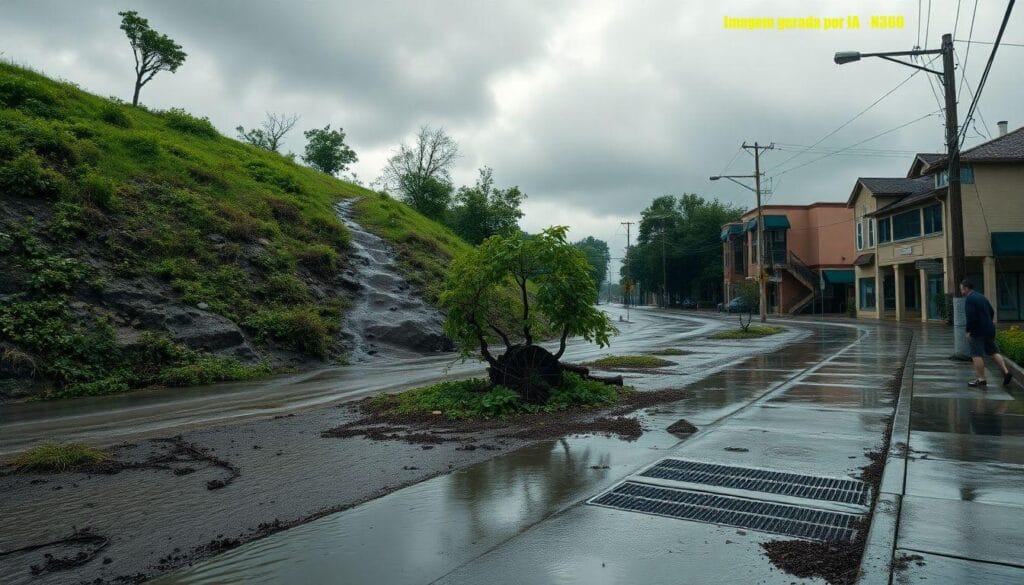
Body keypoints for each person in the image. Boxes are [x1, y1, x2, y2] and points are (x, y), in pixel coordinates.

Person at [960, 279, 1013, 388]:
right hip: (989, 328)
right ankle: (1006, 372)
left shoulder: (969, 299)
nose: (961, 292)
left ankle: (981, 379)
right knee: (993, 351)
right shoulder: (981, 297)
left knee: (976, 354)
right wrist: (987, 322)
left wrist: (968, 331)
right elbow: (991, 311)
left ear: (966, 288)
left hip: (977, 331)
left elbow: (971, 317)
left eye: (961, 289)